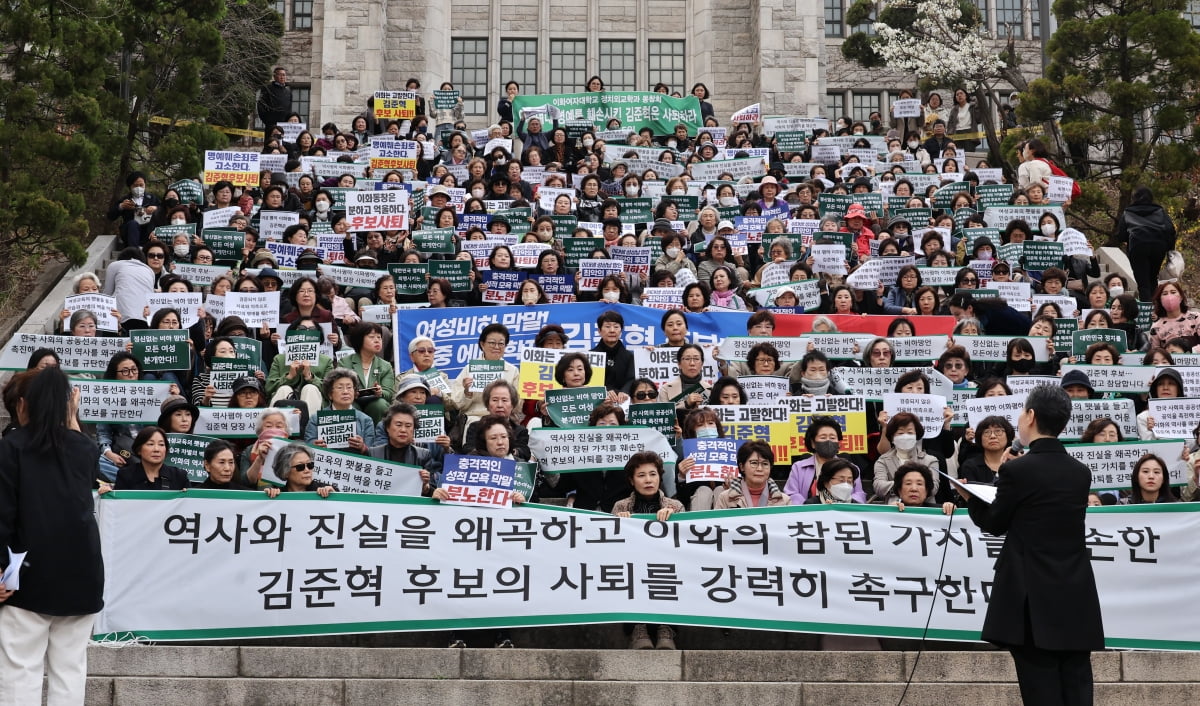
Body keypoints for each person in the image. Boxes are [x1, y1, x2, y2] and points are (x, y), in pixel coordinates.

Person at [961, 384, 1103, 705]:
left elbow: (996, 522)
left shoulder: (1016, 469)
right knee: (1077, 684)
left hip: (1031, 597)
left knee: (1041, 688)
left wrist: (971, 499)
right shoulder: (1080, 472)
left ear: (1031, 416)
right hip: (1075, 593)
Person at [0, 367, 104, 706]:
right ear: (65, 406)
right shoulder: (85, 449)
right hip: (83, 574)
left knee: (21, 669)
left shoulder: (11, 447)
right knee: (70, 670)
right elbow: (78, 457)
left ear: (23, 404)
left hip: (28, 576)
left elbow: (4, 515)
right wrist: (70, 416)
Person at [612, 451, 683, 650]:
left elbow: (684, 544)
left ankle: (665, 627)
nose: (648, 480)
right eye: (641, 475)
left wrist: (673, 520)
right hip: (633, 563)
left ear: (660, 477)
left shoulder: (675, 506)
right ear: (632, 481)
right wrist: (621, 524)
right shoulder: (621, 506)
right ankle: (638, 627)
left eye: (653, 474)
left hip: (666, 563)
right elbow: (611, 547)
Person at [1114, 187, 1176, 301]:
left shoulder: (1127, 212)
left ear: (1134, 198)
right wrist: (1170, 248)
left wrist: (1129, 238)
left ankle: (1147, 311)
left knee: (1143, 283)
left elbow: (1121, 235)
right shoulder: (1160, 211)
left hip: (1138, 246)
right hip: (1158, 246)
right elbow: (1170, 230)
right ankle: (1156, 308)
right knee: (1153, 277)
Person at [714, 440, 790, 508]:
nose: (760, 468)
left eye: (765, 464)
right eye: (754, 463)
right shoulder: (725, 498)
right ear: (742, 466)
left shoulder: (784, 501)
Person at [257, 66, 292, 140]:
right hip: (271, 125)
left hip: (285, 126)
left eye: (284, 75)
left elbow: (289, 108)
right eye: (280, 75)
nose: (282, 77)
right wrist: (268, 120)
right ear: (275, 76)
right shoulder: (267, 88)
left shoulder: (288, 91)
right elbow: (261, 106)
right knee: (271, 145)